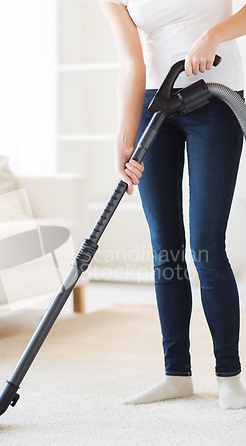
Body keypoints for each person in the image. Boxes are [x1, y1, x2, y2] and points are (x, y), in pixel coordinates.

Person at [99, 0, 246, 409]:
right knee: (164, 244)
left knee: (206, 245)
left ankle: (229, 377)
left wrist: (215, 33)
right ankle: (176, 374)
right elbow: (131, 62)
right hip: (154, 107)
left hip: (216, 101)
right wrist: (124, 139)